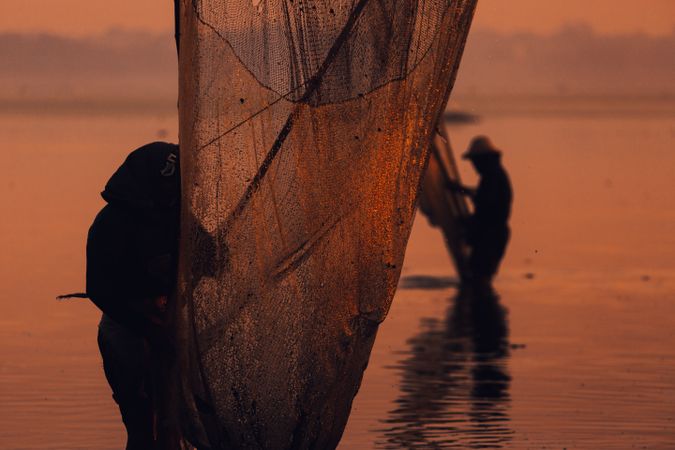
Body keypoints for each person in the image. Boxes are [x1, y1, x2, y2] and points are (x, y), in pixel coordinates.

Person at [86, 142, 180, 450]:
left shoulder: (176, 219)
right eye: (164, 186)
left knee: (173, 426)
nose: (169, 194)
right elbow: (98, 290)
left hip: (170, 330)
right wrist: (149, 331)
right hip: (124, 332)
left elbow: (216, 261)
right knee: (140, 426)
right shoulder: (110, 223)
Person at [448, 136, 512, 286]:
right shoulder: (493, 175)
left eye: (476, 161)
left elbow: (486, 205)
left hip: (491, 237)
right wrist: (460, 190)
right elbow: (484, 199)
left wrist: (468, 222)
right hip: (491, 235)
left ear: (485, 159)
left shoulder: (493, 176)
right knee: (479, 279)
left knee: (479, 280)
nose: (474, 165)